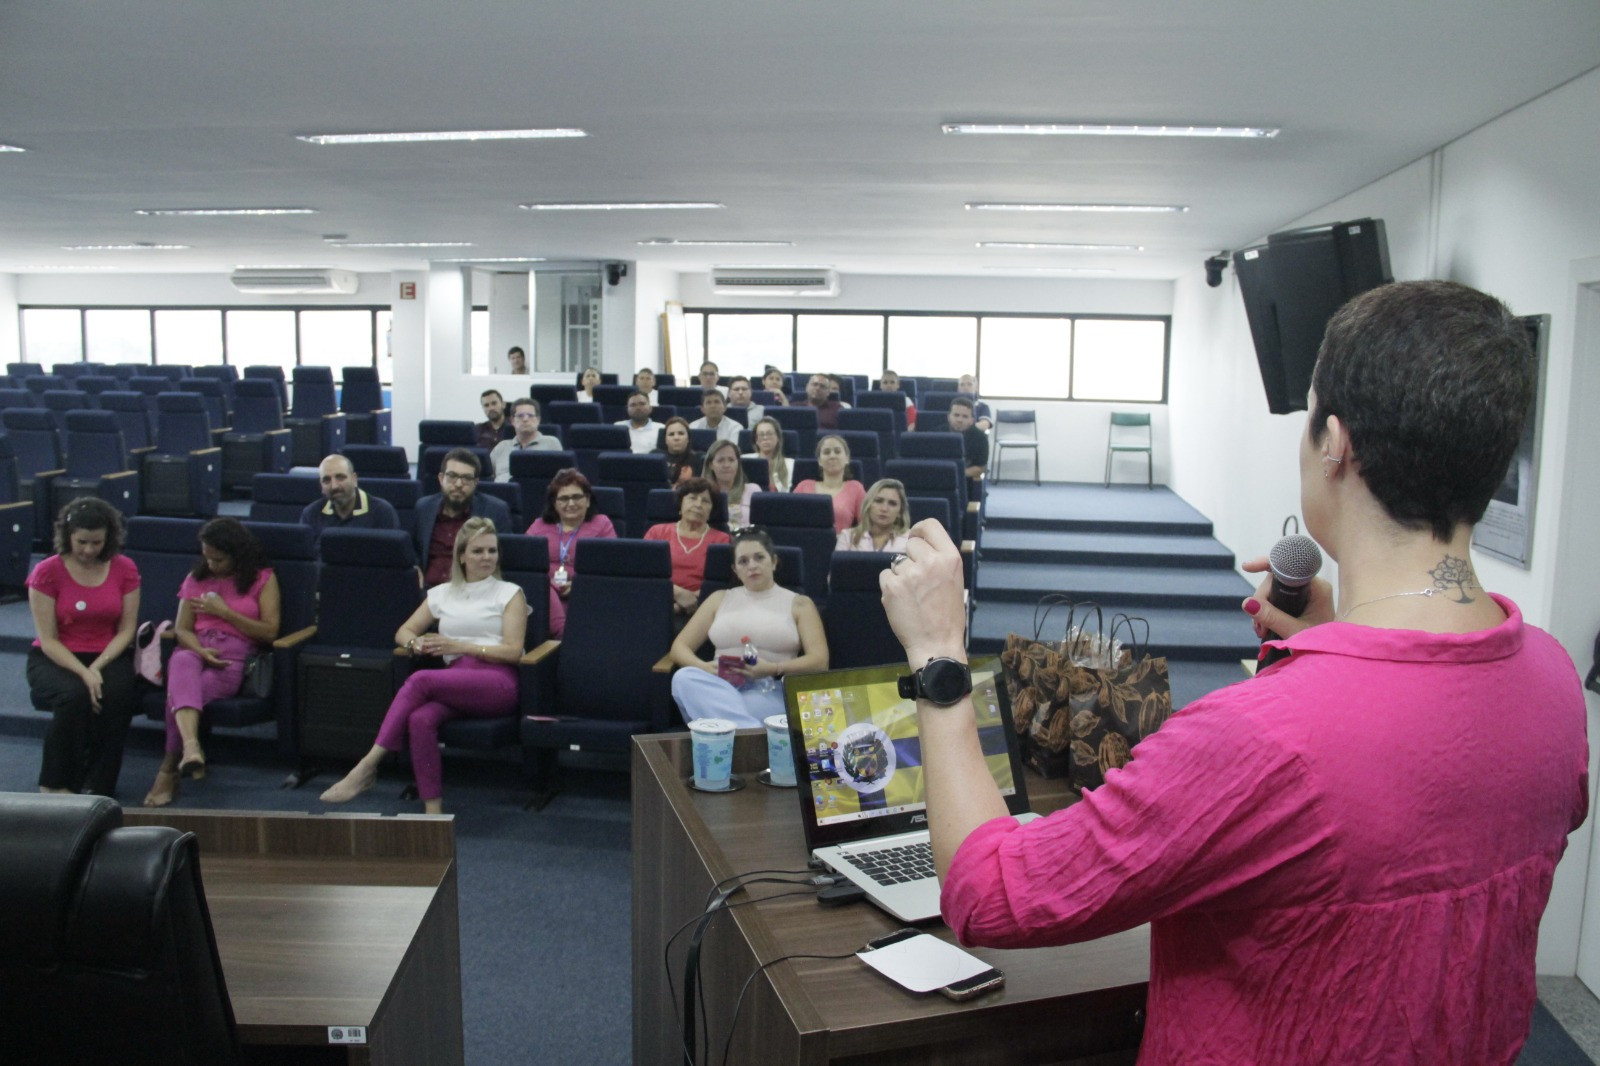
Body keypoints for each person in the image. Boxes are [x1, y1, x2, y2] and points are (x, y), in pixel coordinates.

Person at [878, 281, 1587, 1064]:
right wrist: (1342, 647)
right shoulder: (1551, 679)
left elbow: (990, 894)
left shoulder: (1260, 738)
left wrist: (939, 658)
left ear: (1336, 444)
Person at [320, 517, 526, 814]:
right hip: (455, 681)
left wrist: (460, 646)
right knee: (420, 720)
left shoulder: (509, 592)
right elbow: (403, 632)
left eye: (492, 551)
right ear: (462, 555)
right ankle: (433, 810)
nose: (487, 558)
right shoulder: (442, 593)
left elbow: (514, 651)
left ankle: (366, 766)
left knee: (420, 681)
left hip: (497, 682)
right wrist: (416, 644)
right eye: (479, 551)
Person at [142, 518, 281, 807]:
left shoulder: (262, 579)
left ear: (236, 554)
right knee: (181, 662)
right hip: (196, 649)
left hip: (231, 656)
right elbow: (182, 630)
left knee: (178, 698)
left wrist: (225, 612)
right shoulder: (196, 578)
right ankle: (191, 748)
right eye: (207, 556)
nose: (212, 564)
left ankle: (168, 769)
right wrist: (200, 651)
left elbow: (269, 632)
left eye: (218, 559)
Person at [26, 498, 140, 797]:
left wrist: (98, 667)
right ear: (68, 537)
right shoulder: (46, 571)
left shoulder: (124, 568)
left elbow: (127, 630)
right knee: (74, 696)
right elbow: (48, 639)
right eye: (82, 542)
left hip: (106, 653)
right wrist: (84, 673)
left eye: (96, 543)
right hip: (56, 656)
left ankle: (99, 785)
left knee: (117, 696)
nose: (89, 550)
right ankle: (54, 783)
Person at [669, 527, 828, 728]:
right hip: (719, 685)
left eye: (759, 558)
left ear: (774, 561)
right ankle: (751, 734)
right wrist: (704, 668)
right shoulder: (719, 598)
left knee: (721, 709)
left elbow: (820, 661)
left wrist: (773, 668)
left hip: (770, 689)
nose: (752, 565)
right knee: (683, 678)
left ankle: (731, 730)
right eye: (743, 561)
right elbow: (679, 647)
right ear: (735, 570)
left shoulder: (799, 604)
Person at [524, 469, 617, 639]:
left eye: (577, 497)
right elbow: (525, 563)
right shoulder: (539, 526)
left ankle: (562, 637)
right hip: (545, 595)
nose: (571, 503)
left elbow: (611, 565)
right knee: (541, 584)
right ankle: (564, 635)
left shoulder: (602, 524)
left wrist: (579, 585)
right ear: (554, 503)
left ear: (588, 500)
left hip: (586, 594)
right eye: (564, 498)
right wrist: (550, 583)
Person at [415, 449, 513, 587]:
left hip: (472, 592)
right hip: (426, 592)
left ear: (475, 482)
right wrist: (415, 569)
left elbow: (502, 560)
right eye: (452, 476)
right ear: (441, 478)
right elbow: (415, 551)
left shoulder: (495, 511)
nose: (459, 484)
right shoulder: (424, 507)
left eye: (466, 478)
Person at [644, 477, 732, 619]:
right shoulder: (657, 532)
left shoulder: (722, 539)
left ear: (712, 510)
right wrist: (678, 594)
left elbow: (720, 583)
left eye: (705, 501)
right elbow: (645, 573)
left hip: (702, 610)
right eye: (692, 498)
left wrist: (682, 605)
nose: (698, 504)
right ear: (681, 503)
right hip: (658, 603)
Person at [301, 453, 400, 535]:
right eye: (326, 480)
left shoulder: (382, 512)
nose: (334, 486)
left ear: (354, 479)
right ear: (321, 486)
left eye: (340, 477)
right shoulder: (311, 514)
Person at [794, 434, 865, 533]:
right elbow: (791, 520)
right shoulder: (804, 486)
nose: (832, 456)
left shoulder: (856, 488)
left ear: (847, 459)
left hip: (841, 545)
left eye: (837, 451)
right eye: (827, 452)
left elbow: (866, 525)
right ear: (819, 461)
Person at [491, 398, 561, 481]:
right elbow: (489, 477)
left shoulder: (552, 444)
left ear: (538, 420)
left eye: (530, 415)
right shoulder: (501, 447)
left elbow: (560, 479)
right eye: (520, 416)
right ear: (512, 420)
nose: (525, 419)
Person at [836, 477, 910, 553]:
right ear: (868, 505)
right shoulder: (848, 537)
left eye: (892, 504)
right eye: (878, 501)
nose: (884, 509)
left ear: (900, 512)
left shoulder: (910, 540)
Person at [703, 439, 758, 528]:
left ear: (738, 463)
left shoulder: (753, 490)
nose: (727, 465)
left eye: (731, 460)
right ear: (711, 465)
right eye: (721, 460)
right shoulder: (703, 493)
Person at [743, 416, 793, 492]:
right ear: (756, 440)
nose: (765, 437)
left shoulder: (790, 464)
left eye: (769, 433)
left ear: (778, 437)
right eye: (761, 434)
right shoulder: (745, 460)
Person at [947, 396, 989, 481]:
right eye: (956, 415)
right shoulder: (937, 434)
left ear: (972, 421)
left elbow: (979, 468)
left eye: (965, 416)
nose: (959, 420)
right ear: (948, 417)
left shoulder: (981, 438)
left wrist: (954, 474)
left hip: (966, 480)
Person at [616, 390, 665, 455]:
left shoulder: (661, 428)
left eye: (642, 404)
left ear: (650, 408)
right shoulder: (618, 427)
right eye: (633, 405)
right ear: (627, 409)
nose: (638, 408)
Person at [657, 416, 702, 486]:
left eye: (681, 433)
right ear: (665, 440)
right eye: (671, 434)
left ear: (688, 438)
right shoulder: (656, 456)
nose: (676, 438)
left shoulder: (699, 458)